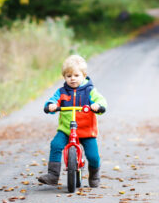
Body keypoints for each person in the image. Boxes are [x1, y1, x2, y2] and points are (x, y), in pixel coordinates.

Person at [38, 54, 107, 188]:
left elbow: (101, 100)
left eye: (76, 75)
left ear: (83, 75)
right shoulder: (62, 91)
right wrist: (51, 105)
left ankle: (94, 174)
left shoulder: (89, 91)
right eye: (69, 76)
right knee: (56, 144)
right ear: (64, 77)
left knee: (93, 156)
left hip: (87, 130)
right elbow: (53, 100)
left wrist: (97, 106)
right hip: (66, 129)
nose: (72, 79)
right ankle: (53, 175)